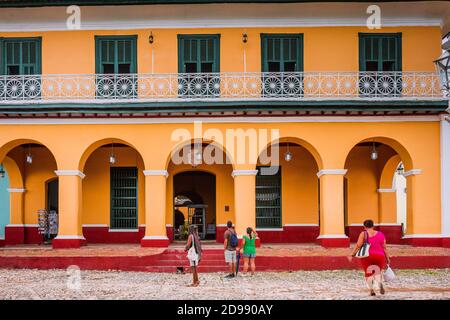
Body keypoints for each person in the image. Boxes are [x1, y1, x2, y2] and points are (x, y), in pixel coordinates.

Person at [350, 219, 391, 296]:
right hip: (380, 256)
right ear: (373, 226)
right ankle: (379, 283)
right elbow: (384, 247)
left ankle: (371, 290)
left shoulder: (363, 233)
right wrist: (387, 258)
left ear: (364, 227)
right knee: (377, 272)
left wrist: (353, 253)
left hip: (367, 256)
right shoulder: (381, 234)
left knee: (368, 273)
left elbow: (358, 245)